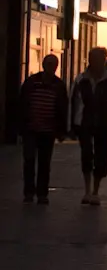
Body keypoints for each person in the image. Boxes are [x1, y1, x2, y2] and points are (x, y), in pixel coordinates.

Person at [71, 47, 107, 206]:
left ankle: (95, 191)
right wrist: (72, 125)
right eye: (95, 59)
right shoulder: (81, 79)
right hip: (84, 122)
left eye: (101, 59)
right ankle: (87, 190)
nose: (98, 62)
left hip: (103, 122)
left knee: (101, 156)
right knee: (86, 154)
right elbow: (73, 102)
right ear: (90, 60)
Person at [18, 55, 69, 205]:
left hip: (48, 131)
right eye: (49, 64)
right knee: (29, 160)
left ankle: (42, 194)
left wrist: (61, 130)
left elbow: (63, 108)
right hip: (31, 129)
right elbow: (21, 104)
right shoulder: (31, 82)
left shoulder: (58, 86)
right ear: (43, 64)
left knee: (44, 163)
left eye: (54, 64)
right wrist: (21, 126)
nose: (51, 67)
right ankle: (28, 192)